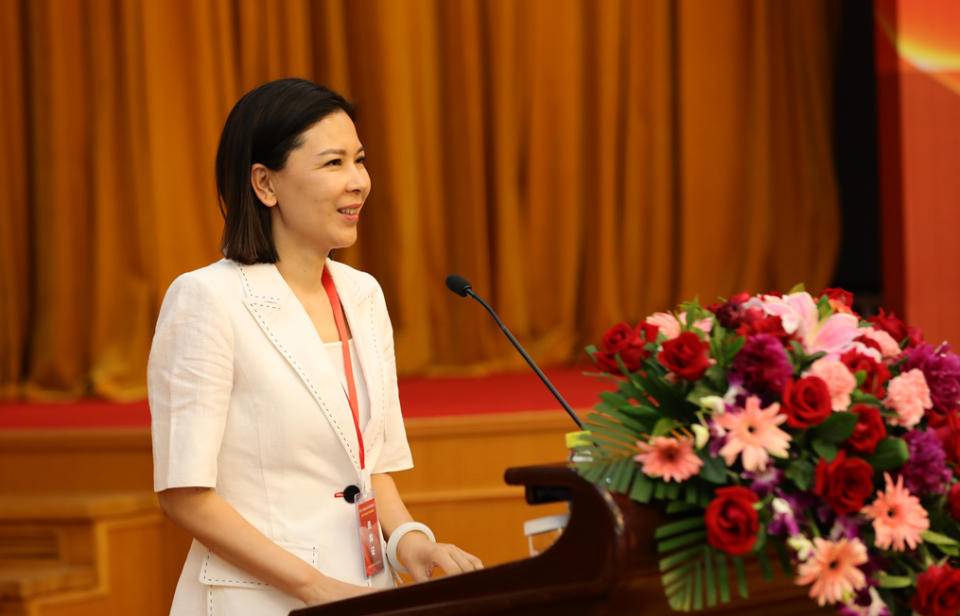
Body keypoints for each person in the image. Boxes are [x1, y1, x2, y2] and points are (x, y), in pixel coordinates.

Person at [148, 78, 482, 615]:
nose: (358, 182)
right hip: (257, 601)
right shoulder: (206, 299)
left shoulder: (362, 294)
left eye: (360, 160)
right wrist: (315, 587)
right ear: (265, 183)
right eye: (333, 163)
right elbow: (184, 495)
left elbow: (368, 468)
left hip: (363, 592)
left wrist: (411, 542)